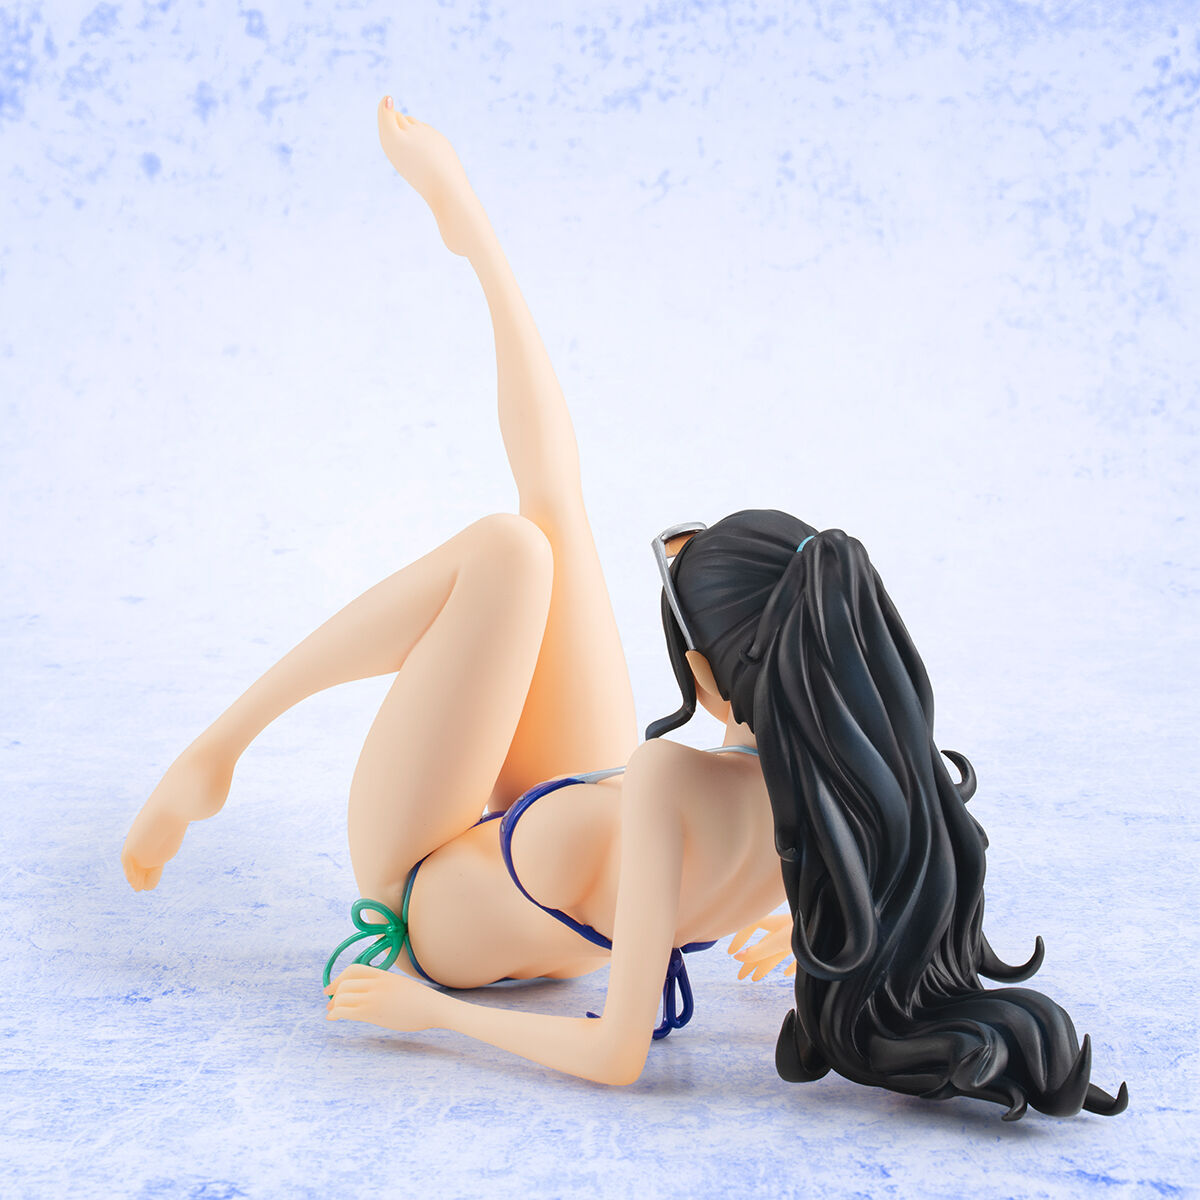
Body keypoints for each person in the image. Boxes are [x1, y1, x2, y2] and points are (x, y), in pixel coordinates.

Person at [121, 98, 1127, 1119]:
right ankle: (477, 241)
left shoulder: (670, 778)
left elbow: (617, 1053)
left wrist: (429, 1011)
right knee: (550, 512)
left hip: (432, 908)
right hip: (565, 869)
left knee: (510, 549)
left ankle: (215, 750)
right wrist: (809, 924)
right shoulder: (846, 788)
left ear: (707, 672)